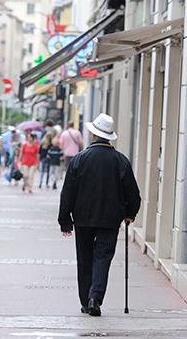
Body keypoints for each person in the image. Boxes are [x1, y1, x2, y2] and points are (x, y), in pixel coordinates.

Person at [58, 113, 141, 317]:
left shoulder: (79, 159)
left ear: (94, 135)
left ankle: (86, 301)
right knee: (103, 257)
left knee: (84, 259)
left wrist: (65, 221)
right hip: (110, 219)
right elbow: (133, 193)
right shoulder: (121, 161)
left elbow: (68, 191)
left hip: (83, 218)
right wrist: (130, 213)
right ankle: (95, 297)